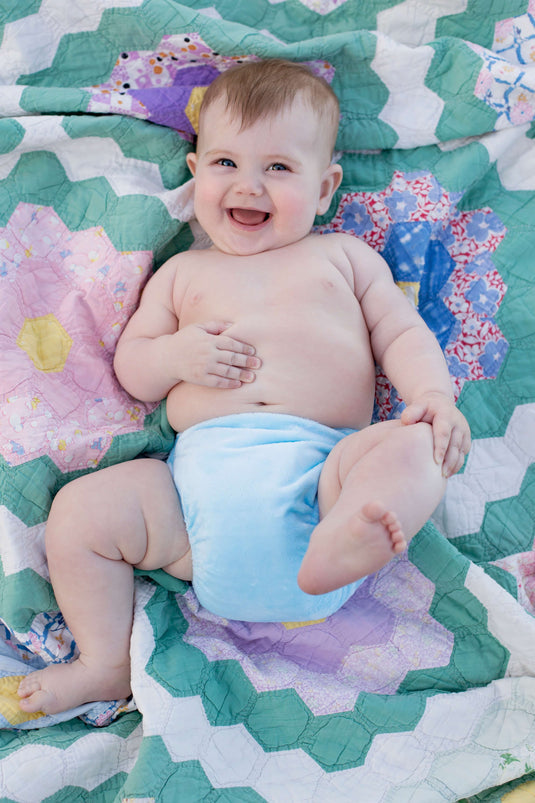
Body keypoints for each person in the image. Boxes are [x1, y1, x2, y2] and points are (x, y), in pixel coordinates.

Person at [18, 59, 470, 716]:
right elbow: (134, 369)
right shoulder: (180, 273)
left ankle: (347, 538)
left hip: (323, 475)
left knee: (415, 445)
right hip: (191, 514)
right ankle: (105, 661)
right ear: (195, 170)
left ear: (325, 188)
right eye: (226, 163)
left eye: (278, 168)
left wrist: (432, 395)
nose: (248, 185)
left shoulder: (342, 258)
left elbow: (400, 333)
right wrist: (176, 353)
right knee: (82, 512)